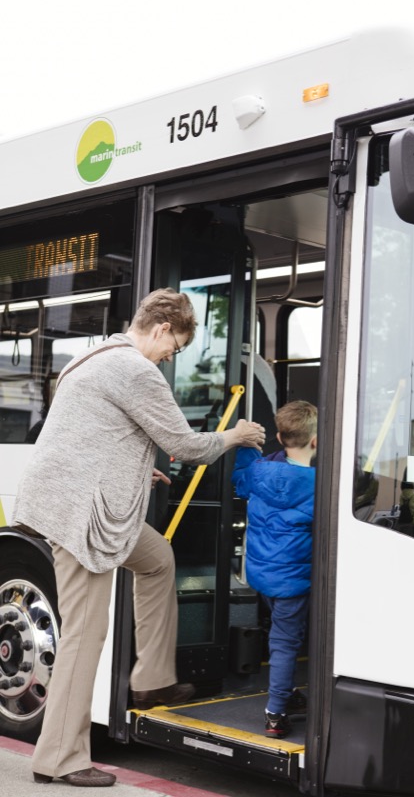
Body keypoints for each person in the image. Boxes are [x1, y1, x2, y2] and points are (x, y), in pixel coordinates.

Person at [11, 288, 265, 788]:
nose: (172, 359)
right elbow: (186, 445)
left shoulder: (92, 357)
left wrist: (134, 469)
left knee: (157, 558)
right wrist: (235, 435)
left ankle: (151, 681)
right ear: (162, 328)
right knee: (86, 635)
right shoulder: (133, 369)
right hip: (80, 517)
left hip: (80, 501)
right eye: (175, 348)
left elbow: (88, 434)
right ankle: (59, 758)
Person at [231, 400, 317, 739]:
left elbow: (240, 479)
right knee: (285, 643)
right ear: (315, 441)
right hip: (295, 581)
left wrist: (246, 444)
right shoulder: (319, 484)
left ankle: (289, 694)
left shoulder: (260, 471)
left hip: (262, 575)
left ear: (279, 437)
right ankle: (275, 713)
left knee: (280, 635)